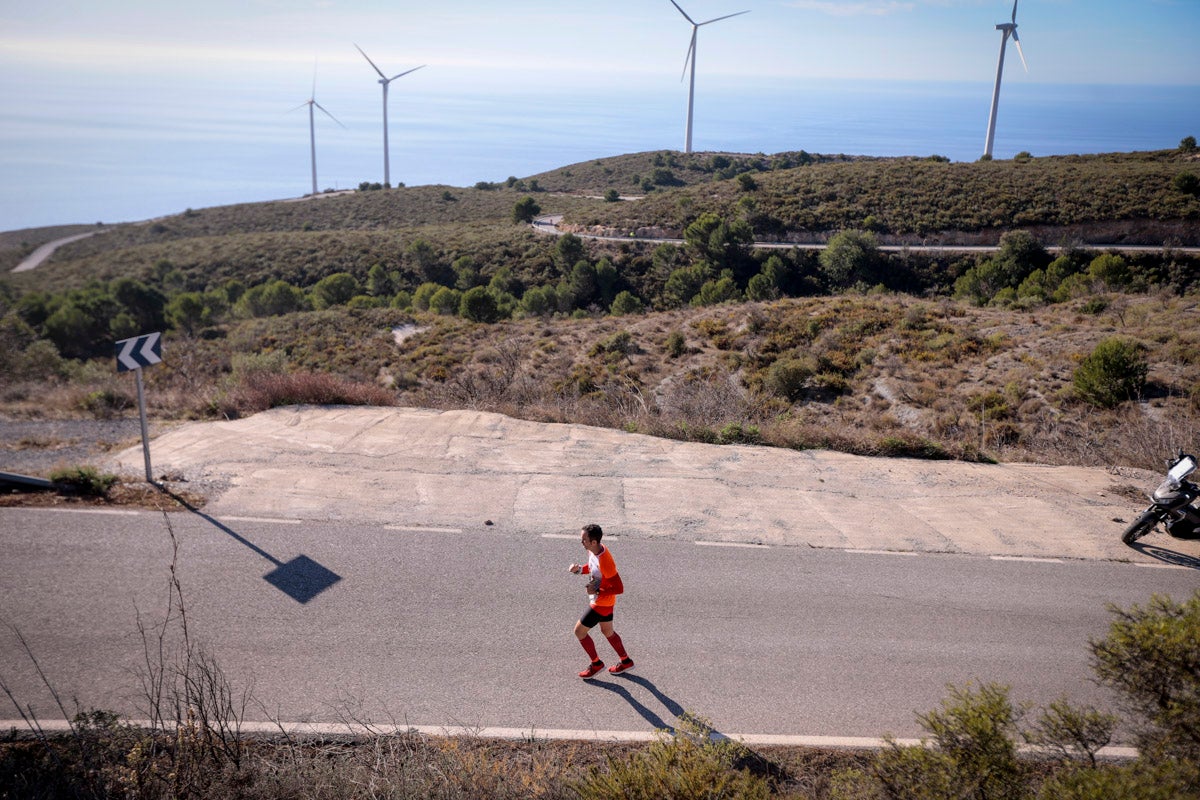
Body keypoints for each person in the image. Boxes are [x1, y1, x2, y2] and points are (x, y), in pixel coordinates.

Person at [568, 523, 634, 679]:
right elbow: (592, 568)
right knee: (607, 631)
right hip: (603, 601)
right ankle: (626, 661)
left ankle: (596, 664)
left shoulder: (605, 561)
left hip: (601, 603)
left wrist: (597, 591)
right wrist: (579, 570)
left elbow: (619, 588)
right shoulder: (595, 550)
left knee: (579, 631)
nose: (581, 542)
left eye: (584, 540)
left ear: (593, 542)